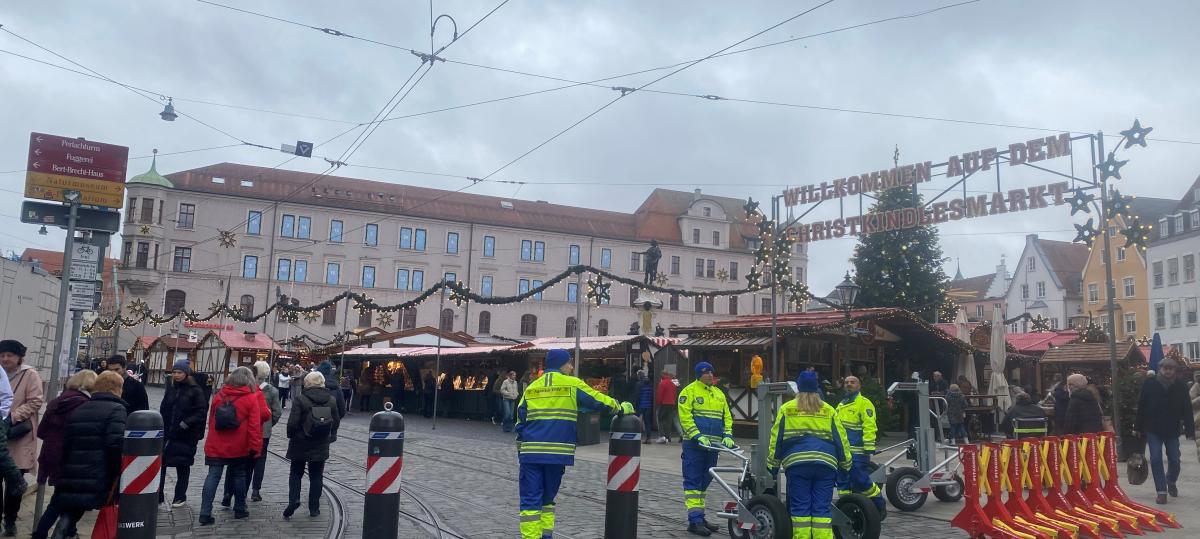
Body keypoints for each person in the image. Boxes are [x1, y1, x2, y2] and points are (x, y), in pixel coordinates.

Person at [514, 349, 632, 539]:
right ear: (562, 364)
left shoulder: (532, 387)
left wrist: (522, 452)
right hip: (557, 455)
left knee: (529, 500)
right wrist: (620, 407)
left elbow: (520, 422)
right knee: (548, 498)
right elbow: (598, 400)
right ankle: (546, 536)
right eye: (569, 363)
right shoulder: (572, 384)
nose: (571, 367)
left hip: (531, 454)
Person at [768, 372, 851, 539]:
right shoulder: (828, 410)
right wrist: (846, 464)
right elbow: (841, 439)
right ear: (816, 388)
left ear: (798, 388)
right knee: (822, 510)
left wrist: (773, 465)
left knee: (800, 511)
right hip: (825, 465)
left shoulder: (787, 409)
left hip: (797, 465)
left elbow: (776, 439)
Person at [46, 371, 127, 536]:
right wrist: (117, 472)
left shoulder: (81, 407)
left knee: (70, 512)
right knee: (76, 512)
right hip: (98, 470)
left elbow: (67, 440)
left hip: (73, 469)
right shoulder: (117, 409)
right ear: (118, 388)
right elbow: (115, 444)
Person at [198, 367, 269, 525]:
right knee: (239, 476)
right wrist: (256, 448)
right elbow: (254, 427)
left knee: (212, 477)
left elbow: (211, 421)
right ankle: (240, 509)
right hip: (238, 446)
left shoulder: (218, 396)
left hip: (217, 444)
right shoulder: (250, 398)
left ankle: (205, 512)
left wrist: (209, 442)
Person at [30, 370, 95, 539]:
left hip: (51, 454)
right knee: (60, 501)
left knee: (63, 496)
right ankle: (41, 533)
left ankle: (69, 532)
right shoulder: (84, 405)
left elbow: (42, 431)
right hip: (69, 457)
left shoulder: (57, 401)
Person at [678, 361, 734, 536]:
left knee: (704, 482)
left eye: (711, 372)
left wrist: (728, 435)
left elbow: (727, 417)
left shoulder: (718, 394)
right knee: (693, 483)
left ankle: (700, 518)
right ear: (698, 375)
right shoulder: (689, 392)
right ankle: (694, 520)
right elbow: (685, 417)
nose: (710, 375)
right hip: (695, 445)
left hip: (713, 446)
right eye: (706, 372)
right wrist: (696, 435)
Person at [1134, 357, 1196, 504]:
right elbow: (1142, 405)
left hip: (1172, 428)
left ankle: (1171, 480)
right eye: (1165, 368)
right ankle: (1161, 491)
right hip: (1153, 427)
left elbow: (1187, 408)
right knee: (1155, 459)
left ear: (1175, 370)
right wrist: (1137, 426)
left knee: (1174, 459)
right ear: (1160, 369)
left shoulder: (1180, 385)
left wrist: (1190, 429)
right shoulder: (1150, 383)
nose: (1168, 371)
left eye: (1171, 368)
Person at [284, 371, 342, 518]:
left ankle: (294, 500)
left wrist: (292, 436)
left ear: (307, 383)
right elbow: (336, 421)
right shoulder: (331, 400)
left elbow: (292, 423)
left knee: (296, 473)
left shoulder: (301, 399)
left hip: (300, 441)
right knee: (316, 475)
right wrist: (330, 435)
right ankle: (314, 508)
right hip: (320, 442)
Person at [0, 339, 41, 535]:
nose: (5, 358)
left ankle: (10, 520)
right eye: (2, 355)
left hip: (18, 436)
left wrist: (12, 417)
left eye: (10, 355)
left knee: (14, 481)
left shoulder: (29, 374)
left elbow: (35, 401)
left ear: (19, 357)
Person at [157, 359, 208, 508]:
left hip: (186, 435)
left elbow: (201, 411)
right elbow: (164, 407)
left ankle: (180, 496)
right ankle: (158, 496)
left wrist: (185, 424)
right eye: (174, 372)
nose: (176, 375)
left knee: (183, 466)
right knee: (161, 464)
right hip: (168, 433)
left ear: (186, 373)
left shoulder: (195, 390)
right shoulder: (172, 389)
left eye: (179, 372)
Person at [835, 375, 884, 513]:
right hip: (842, 452)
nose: (849, 384)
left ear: (859, 385)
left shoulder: (864, 403)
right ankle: (847, 508)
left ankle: (879, 504)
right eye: (846, 382)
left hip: (857, 452)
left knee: (861, 480)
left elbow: (870, 426)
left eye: (852, 382)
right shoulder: (841, 405)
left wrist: (869, 447)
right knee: (843, 483)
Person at [243, 361, 282, 502]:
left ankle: (242, 491)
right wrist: (269, 424)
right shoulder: (272, 391)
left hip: (247, 431)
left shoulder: (246, 388)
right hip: (264, 432)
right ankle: (256, 490)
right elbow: (277, 412)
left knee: (246, 461)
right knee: (260, 461)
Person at [656, 371, 681, 444]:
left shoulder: (662, 383)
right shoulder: (672, 383)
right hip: (672, 404)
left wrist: (658, 403)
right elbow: (675, 393)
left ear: (663, 375)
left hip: (664, 404)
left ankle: (662, 437)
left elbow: (660, 395)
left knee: (660, 419)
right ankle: (668, 437)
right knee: (668, 421)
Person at [633, 370, 654, 444]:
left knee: (636, 421)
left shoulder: (638, 384)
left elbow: (637, 396)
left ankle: (636, 437)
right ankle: (648, 438)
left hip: (640, 405)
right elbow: (651, 395)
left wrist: (634, 406)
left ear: (639, 375)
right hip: (648, 406)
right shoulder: (650, 383)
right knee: (647, 422)